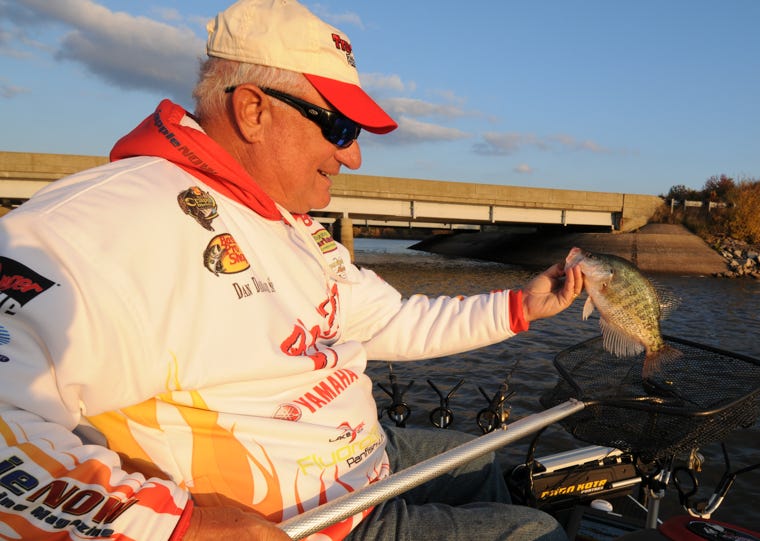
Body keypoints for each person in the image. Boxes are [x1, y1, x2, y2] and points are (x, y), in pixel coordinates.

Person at [0, 1, 582, 540]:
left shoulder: (292, 223)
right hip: (308, 523)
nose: (353, 155)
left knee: (478, 462)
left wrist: (521, 307)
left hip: (366, 462)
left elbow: (383, 320)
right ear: (253, 110)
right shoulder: (95, 226)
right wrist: (180, 526)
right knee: (538, 535)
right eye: (340, 128)